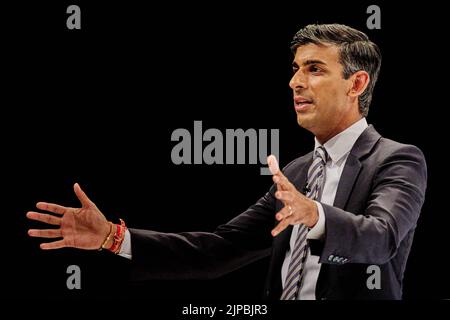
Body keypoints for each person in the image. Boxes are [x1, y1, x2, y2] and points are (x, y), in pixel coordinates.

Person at [26, 24, 427, 300]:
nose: (295, 82)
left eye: (315, 69)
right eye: (295, 69)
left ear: (356, 84)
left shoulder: (397, 160)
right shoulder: (298, 172)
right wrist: (113, 237)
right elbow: (221, 249)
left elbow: (381, 239)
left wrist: (315, 215)